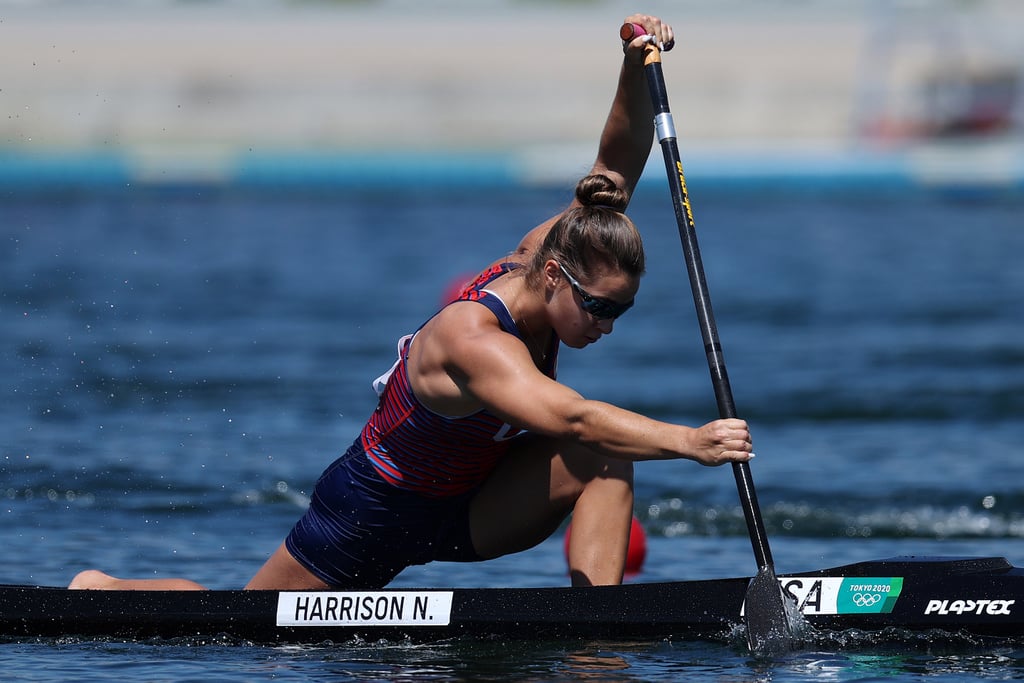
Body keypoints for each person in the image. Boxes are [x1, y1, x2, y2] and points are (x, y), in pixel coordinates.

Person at [69, 12, 753, 592]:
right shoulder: (472, 337)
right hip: (371, 510)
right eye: (601, 308)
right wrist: (691, 442)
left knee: (608, 458)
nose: (608, 325)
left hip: (470, 505)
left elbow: (611, 169)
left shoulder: (569, 245)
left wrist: (635, 63)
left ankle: (597, 635)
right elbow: (570, 415)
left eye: (621, 311)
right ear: (552, 275)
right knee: (246, 627)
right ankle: (101, 589)